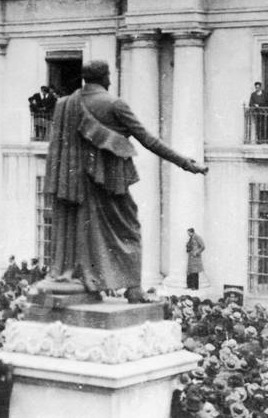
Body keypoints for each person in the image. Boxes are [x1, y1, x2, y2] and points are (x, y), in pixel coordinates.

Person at [43, 60, 207, 304]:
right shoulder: (114, 104)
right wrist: (184, 162)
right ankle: (132, 289)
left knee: (84, 233)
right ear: (106, 77)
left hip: (76, 183)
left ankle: (93, 282)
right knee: (129, 231)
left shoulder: (65, 104)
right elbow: (148, 140)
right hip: (109, 183)